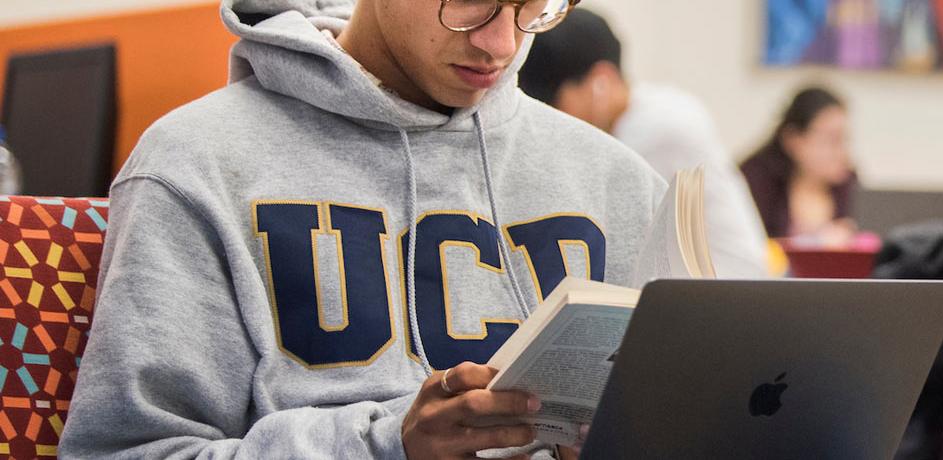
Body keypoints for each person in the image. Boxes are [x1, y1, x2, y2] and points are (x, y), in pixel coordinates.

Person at [63, 0, 679, 457]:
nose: (500, 41)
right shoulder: (197, 165)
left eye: (532, 7)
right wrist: (384, 447)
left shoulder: (616, 181)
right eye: (469, 0)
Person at [518, 7, 769, 277]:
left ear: (601, 81)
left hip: (724, 292)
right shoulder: (652, 113)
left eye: (554, 100)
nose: (550, 115)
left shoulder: (659, 127)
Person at [739, 87, 861, 246]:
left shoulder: (849, 185)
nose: (841, 152)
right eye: (831, 140)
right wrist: (816, 243)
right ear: (794, 140)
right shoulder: (755, 182)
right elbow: (747, 248)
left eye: (844, 139)